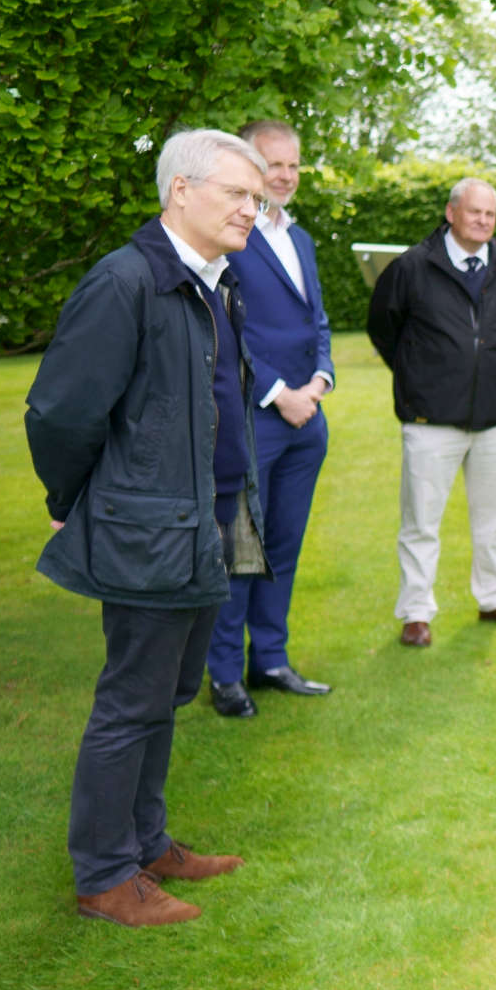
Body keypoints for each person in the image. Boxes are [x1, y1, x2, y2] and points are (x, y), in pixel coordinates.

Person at [24, 128, 266, 926]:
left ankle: (148, 844)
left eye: (256, 196)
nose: (251, 208)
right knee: (131, 701)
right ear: (181, 192)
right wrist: (74, 494)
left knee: (169, 691)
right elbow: (61, 412)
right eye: (237, 193)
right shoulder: (125, 282)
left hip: (210, 518)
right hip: (150, 529)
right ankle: (103, 876)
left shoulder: (213, 282)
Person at [366, 177, 496, 649]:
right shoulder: (412, 268)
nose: (483, 221)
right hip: (430, 421)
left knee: (493, 517)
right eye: (474, 212)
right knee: (420, 522)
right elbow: (384, 328)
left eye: (491, 214)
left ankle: (494, 598)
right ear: (451, 212)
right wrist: (421, 376)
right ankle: (416, 613)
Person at [206, 119, 335, 717]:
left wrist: (321, 378)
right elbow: (225, 326)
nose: (284, 175)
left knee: (284, 545)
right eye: (272, 164)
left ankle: (271, 660)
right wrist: (280, 392)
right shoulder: (230, 232)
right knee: (242, 547)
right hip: (255, 417)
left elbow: (319, 322)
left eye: (292, 165)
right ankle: (225, 673)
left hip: (308, 420)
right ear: (247, 167)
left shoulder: (300, 238)